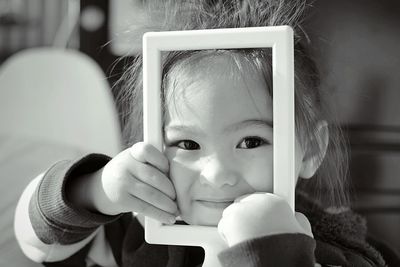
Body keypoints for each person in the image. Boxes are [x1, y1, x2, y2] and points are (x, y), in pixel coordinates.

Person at [14, 0, 397, 266]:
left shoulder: (333, 251)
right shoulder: (144, 237)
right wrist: (95, 190)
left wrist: (274, 252)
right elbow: (35, 243)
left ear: (310, 149)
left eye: (250, 142)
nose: (216, 174)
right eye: (187, 143)